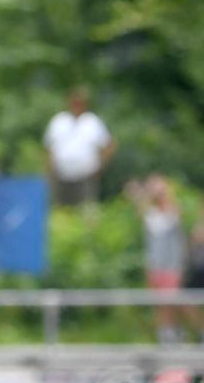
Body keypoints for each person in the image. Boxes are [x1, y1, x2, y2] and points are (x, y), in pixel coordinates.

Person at [127, 175, 200, 344]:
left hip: (172, 266)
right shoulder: (152, 215)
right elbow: (141, 211)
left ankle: (192, 332)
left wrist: (163, 190)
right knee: (160, 303)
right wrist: (142, 194)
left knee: (178, 302)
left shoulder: (172, 213)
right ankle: (167, 336)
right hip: (155, 266)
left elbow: (177, 215)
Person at [44, 89, 115, 207]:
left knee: (86, 210)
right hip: (61, 176)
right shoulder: (59, 120)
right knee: (61, 210)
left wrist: (100, 167)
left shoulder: (92, 121)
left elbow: (109, 145)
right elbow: (49, 147)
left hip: (86, 176)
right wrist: (49, 170)